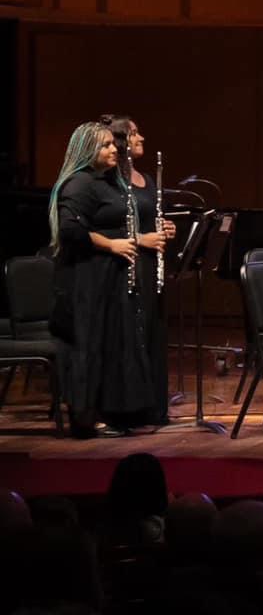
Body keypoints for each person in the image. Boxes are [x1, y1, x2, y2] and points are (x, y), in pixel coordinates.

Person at [49, 121, 159, 437]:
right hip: (88, 278)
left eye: (113, 143)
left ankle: (117, 413)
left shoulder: (109, 182)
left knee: (115, 344)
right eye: (105, 145)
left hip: (112, 277)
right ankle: (86, 418)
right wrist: (111, 245)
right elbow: (71, 230)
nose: (114, 149)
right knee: (90, 344)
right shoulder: (79, 183)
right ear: (87, 150)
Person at [97, 115, 173, 426]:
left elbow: (149, 218)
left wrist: (164, 229)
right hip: (125, 265)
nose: (141, 138)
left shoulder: (146, 180)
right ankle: (128, 409)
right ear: (121, 141)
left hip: (149, 265)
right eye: (134, 134)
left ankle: (153, 407)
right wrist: (141, 239)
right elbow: (106, 226)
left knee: (152, 332)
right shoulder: (110, 180)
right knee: (130, 336)